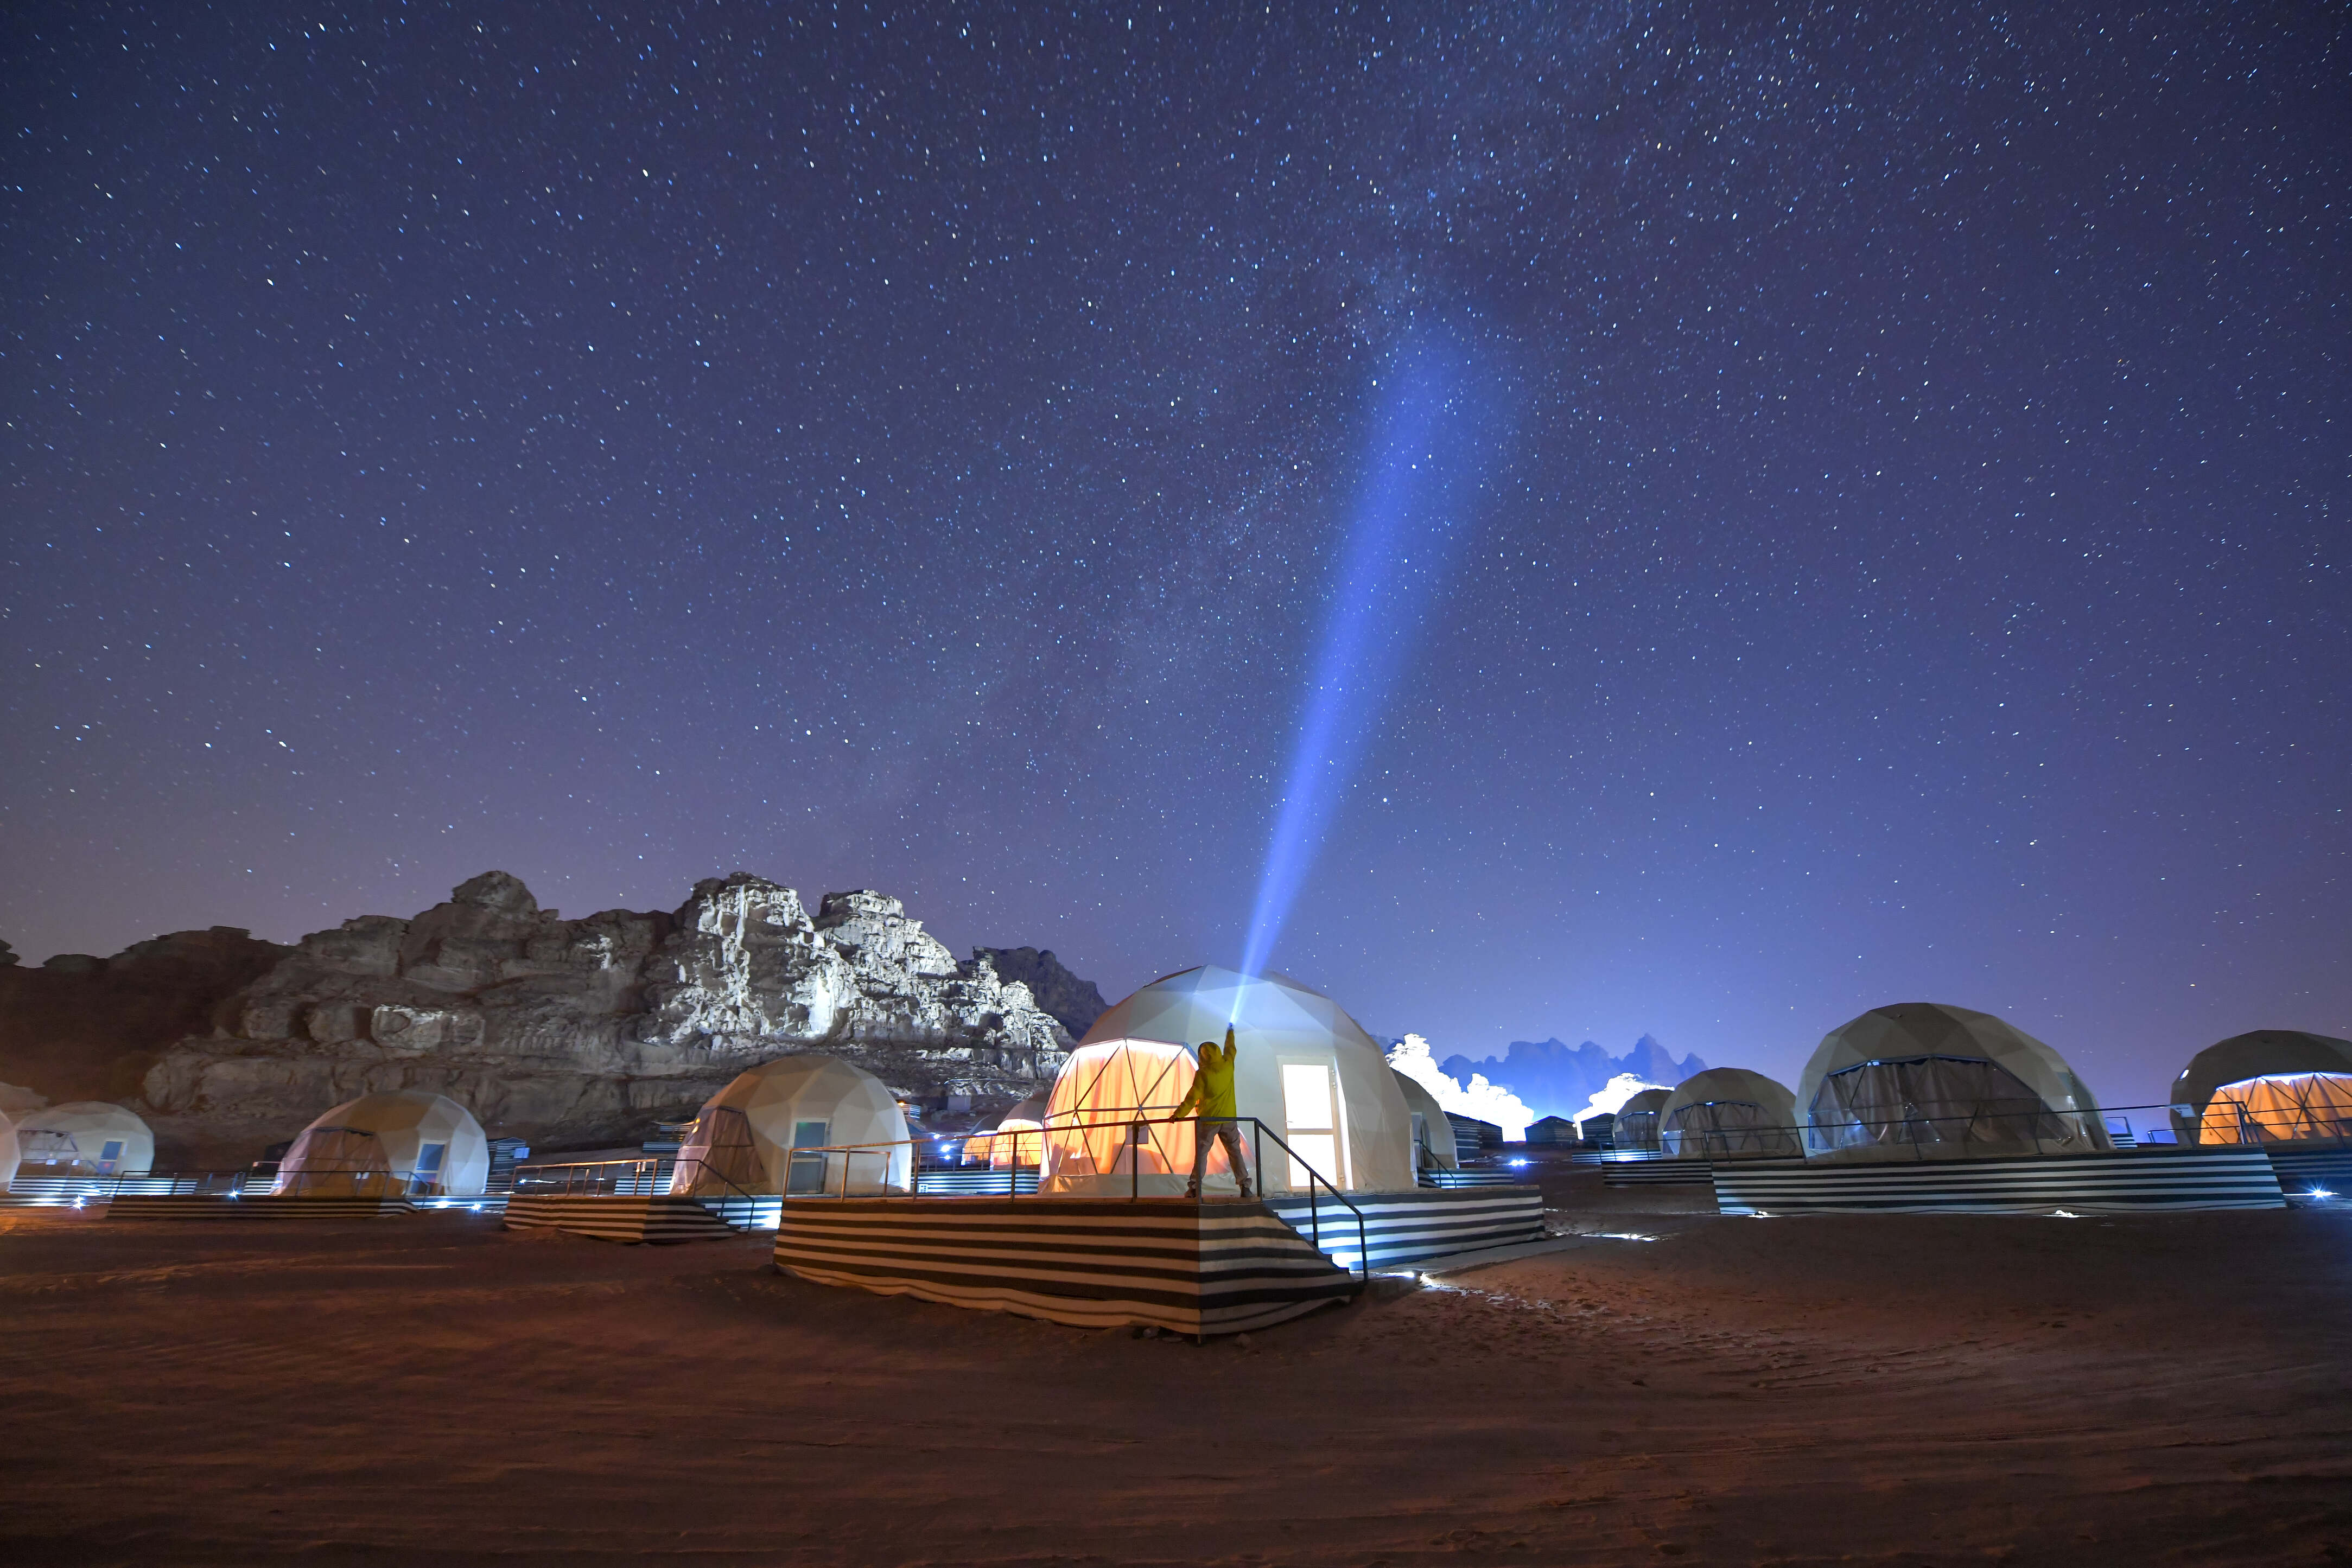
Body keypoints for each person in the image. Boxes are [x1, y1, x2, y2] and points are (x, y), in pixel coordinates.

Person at [1173, 1025, 1254, 1200]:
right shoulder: (1228, 1065)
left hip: (1208, 1121)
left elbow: (1191, 1097)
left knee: (1202, 1155)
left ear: (1203, 1056)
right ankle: (1245, 1186)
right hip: (1229, 1119)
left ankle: (1195, 1189)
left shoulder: (1203, 1074)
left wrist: (1178, 1114)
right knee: (1235, 1153)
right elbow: (1230, 1048)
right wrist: (1230, 1032)